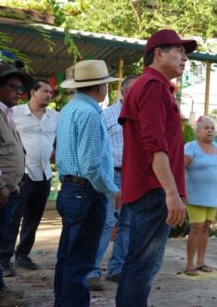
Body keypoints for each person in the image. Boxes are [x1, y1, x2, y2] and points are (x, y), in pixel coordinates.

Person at [116, 29, 196, 307]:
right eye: (179, 51)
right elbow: (154, 146)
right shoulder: (152, 87)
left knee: (137, 263)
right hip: (154, 190)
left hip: (149, 189)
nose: (185, 58)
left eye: (186, 53)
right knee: (144, 266)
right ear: (158, 54)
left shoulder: (152, 86)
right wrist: (171, 194)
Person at [53, 60, 120, 307]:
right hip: (85, 191)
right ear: (101, 87)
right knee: (80, 261)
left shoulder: (70, 108)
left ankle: (63, 302)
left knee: (68, 257)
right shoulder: (90, 113)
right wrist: (114, 190)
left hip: (71, 189)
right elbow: (91, 165)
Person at [0, 79, 58, 278]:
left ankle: (23, 254)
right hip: (23, 174)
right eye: (45, 91)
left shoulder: (55, 116)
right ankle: (4, 258)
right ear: (33, 92)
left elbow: (56, 143)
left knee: (34, 217)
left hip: (44, 174)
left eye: (51, 92)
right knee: (12, 218)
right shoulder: (14, 113)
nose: (49, 95)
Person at [86, 75, 137, 289]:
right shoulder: (106, 115)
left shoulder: (142, 115)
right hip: (112, 175)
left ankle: (117, 269)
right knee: (106, 222)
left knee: (127, 223)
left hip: (133, 176)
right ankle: (92, 271)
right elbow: (96, 147)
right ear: (124, 91)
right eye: (134, 90)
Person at [183, 116, 217, 275]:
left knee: (205, 228)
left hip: (213, 195)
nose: (210, 131)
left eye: (212, 128)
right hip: (195, 194)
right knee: (196, 227)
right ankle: (189, 264)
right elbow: (181, 168)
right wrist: (181, 190)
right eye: (206, 128)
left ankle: (201, 262)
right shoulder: (190, 147)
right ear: (198, 132)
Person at [0, 64, 32, 307]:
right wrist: (0, 184)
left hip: (7, 191)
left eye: (21, 88)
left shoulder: (5, 114)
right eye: (13, 87)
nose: (19, 92)